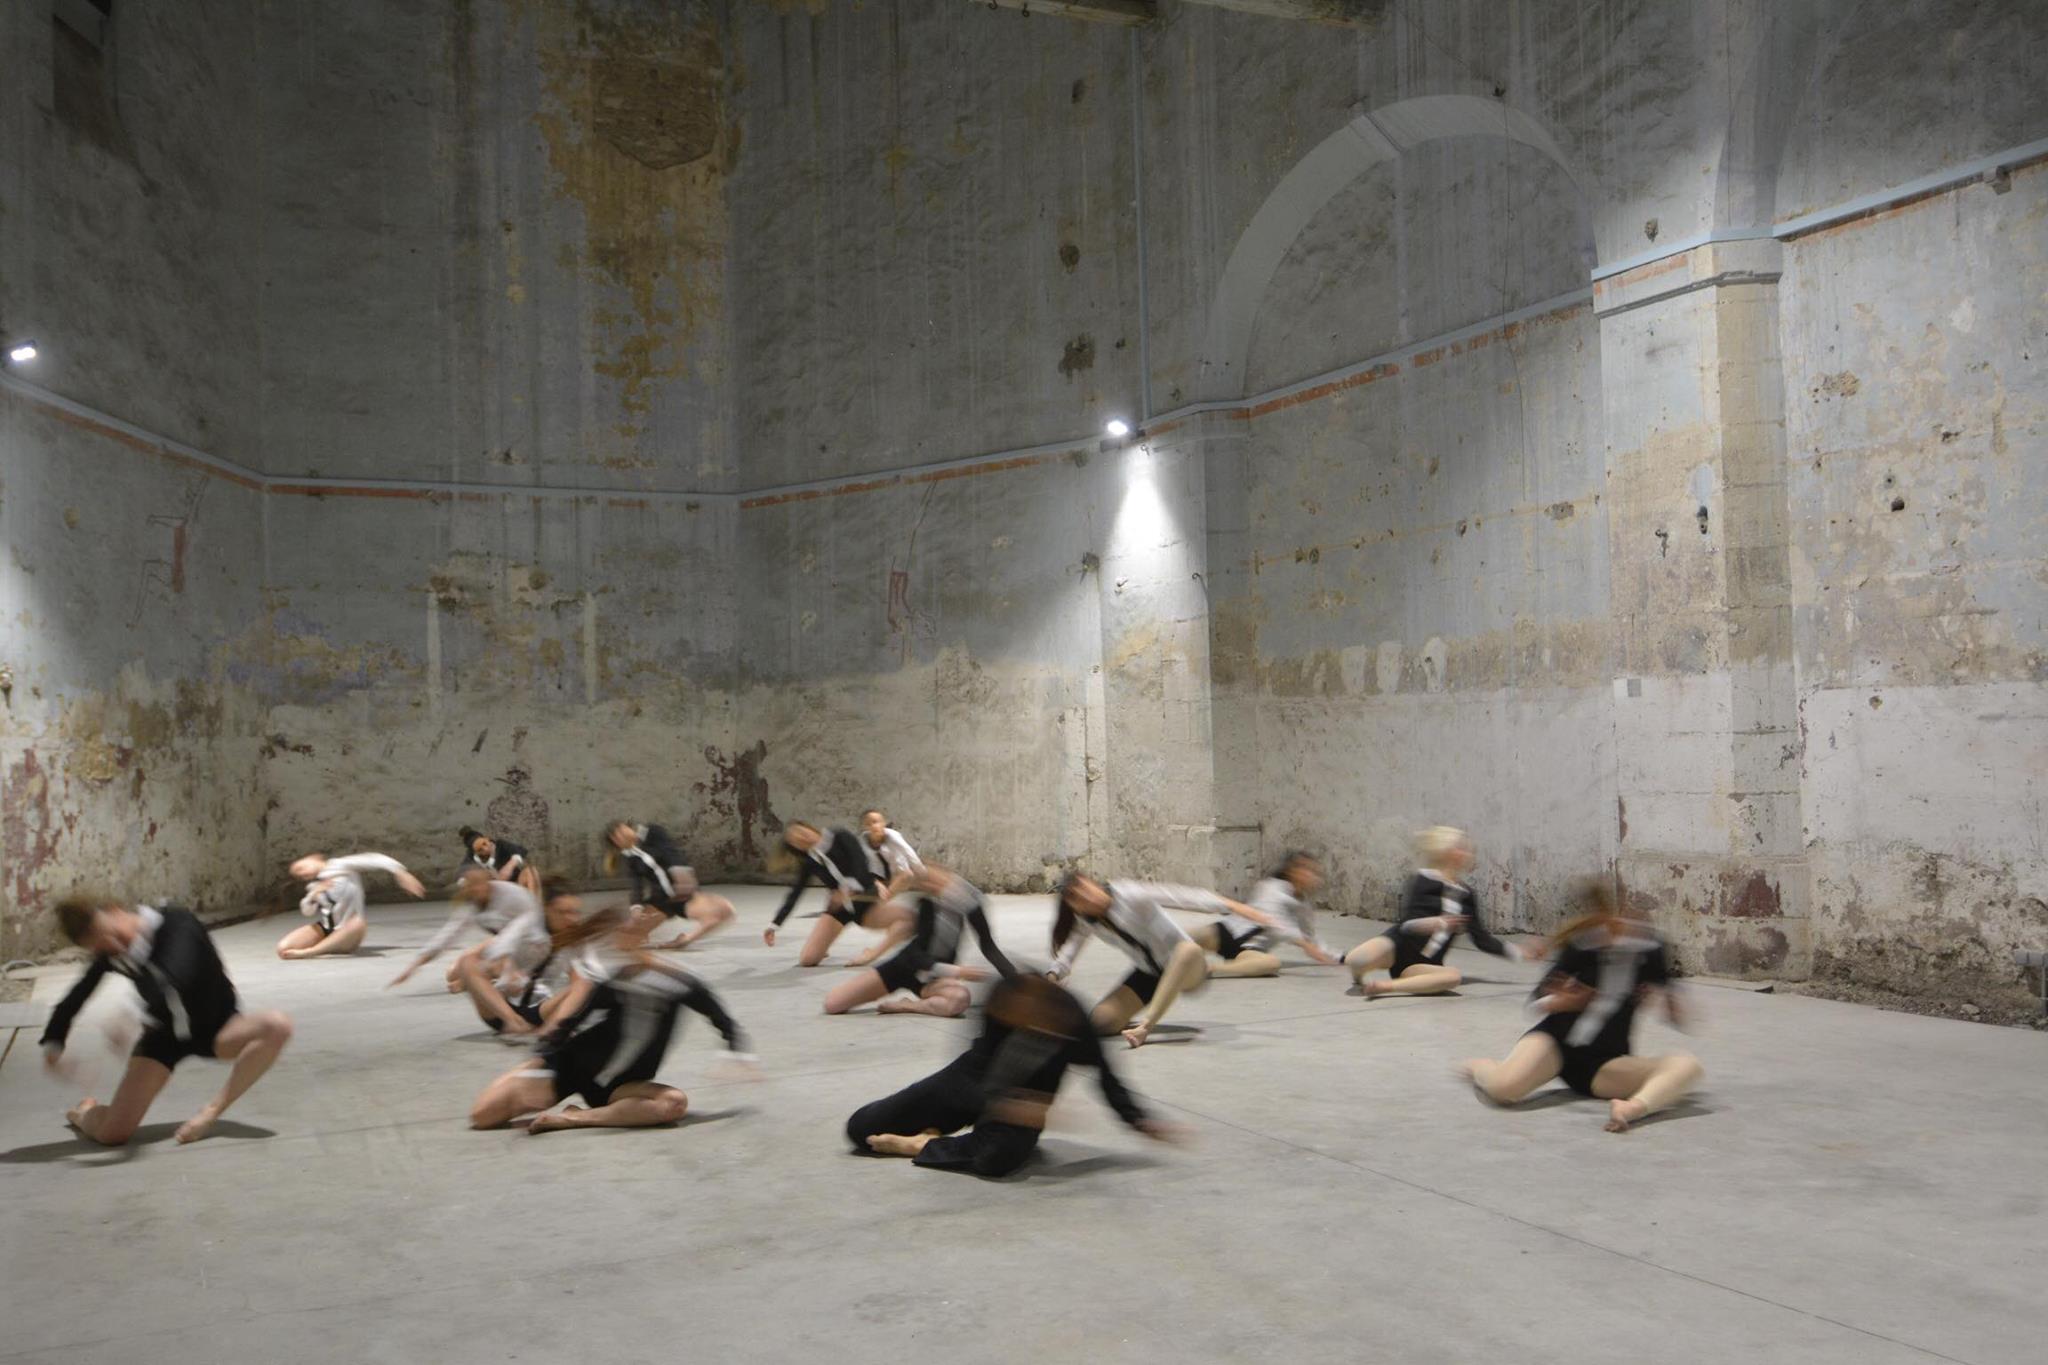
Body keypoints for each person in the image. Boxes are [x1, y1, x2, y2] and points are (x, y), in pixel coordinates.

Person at [846, 974, 1182, 1177]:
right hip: (973, 1080)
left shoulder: (1074, 1023)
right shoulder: (1001, 997)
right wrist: (1000, 1104)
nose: (1012, 1022)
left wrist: (1141, 1121)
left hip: (1028, 1100)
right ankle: (944, 1138)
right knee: (861, 1128)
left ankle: (925, 1144)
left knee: (997, 1160)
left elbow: (1108, 1081)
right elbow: (976, 1069)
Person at [468, 908, 755, 1135]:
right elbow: (567, 1025)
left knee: (673, 1104)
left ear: (642, 940)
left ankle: (574, 1119)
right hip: (571, 1068)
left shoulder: (681, 983)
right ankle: (532, 1083)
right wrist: (536, 1065)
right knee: (482, 1117)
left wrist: (736, 1054)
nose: (618, 948)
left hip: (620, 1089)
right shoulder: (611, 982)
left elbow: (722, 1020)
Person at [40, 897, 293, 1146]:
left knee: (276, 1026)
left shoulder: (176, 923)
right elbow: (75, 998)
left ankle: (212, 1110)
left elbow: (176, 974)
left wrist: (129, 1014)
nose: (114, 945)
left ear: (116, 911)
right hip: (162, 1038)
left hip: (217, 1027)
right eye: (102, 946)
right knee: (112, 1134)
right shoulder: (112, 951)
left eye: (111, 934)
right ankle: (83, 1113)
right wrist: (53, 1044)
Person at [1461, 882, 1704, 1133]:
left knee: (1687, 1065)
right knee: (1503, 1089)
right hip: (1554, 1043)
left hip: (1603, 1063)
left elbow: (1675, 1008)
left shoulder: (1651, 950)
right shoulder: (1582, 946)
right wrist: (1562, 1002)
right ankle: (1483, 1067)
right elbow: (1534, 1003)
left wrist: (1672, 1005)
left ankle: (1632, 1108)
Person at [1048, 872, 1272, 1048]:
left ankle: (1146, 1026)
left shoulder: (1129, 894)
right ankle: (1131, 1018)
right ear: (1075, 908)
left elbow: (1180, 895)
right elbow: (1070, 950)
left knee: (1187, 950)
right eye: (1079, 899)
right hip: (1149, 974)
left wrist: (1234, 906)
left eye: (1086, 889)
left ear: (1092, 882)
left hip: (1188, 968)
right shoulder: (1087, 921)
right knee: (1100, 1023)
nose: (1088, 898)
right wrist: (1054, 974)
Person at [1343, 826, 1535, 996]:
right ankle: (1358, 976)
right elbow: (1407, 924)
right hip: (1397, 946)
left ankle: (1386, 987)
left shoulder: (1467, 895)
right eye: (1460, 848)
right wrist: (1435, 923)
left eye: (1466, 849)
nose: (1466, 853)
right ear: (1445, 850)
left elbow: (1482, 939)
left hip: (1422, 964)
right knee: (1357, 959)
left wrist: (1518, 952)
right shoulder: (1422, 879)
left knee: (1453, 977)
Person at [823, 867, 1017, 1017]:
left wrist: (1017, 982)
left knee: (960, 999)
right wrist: (959, 972)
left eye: (938, 880)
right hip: (904, 967)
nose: (933, 886)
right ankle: (904, 994)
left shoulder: (969, 905)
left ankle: (910, 1006)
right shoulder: (925, 905)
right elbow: (916, 957)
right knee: (833, 1004)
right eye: (926, 884)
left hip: (933, 979)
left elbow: (989, 947)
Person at [764, 821, 914, 966]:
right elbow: (795, 893)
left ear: (808, 827)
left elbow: (860, 863)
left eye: (802, 832)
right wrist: (775, 925)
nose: (803, 838)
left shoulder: (839, 835)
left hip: (865, 901)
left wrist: (846, 889)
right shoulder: (810, 861)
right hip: (839, 908)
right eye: (796, 841)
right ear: (797, 848)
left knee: (909, 920)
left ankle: (872, 952)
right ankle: (824, 945)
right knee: (807, 959)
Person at [458, 877, 594, 1037]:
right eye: (563, 912)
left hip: (539, 1008)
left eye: (575, 912)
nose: (571, 919)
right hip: (501, 1008)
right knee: (467, 963)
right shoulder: (526, 926)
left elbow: (579, 982)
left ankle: (552, 1028)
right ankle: (513, 1021)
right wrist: (508, 972)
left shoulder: (573, 940)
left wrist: (565, 1012)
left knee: (585, 984)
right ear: (546, 909)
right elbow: (497, 948)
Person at [1189, 851, 1342, 977]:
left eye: (1314, 872)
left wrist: (1339, 957)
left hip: (1249, 949)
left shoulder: (1304, 906)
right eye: (1306, 870)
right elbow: (1274, 923)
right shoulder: (1271, 887)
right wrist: (1304, 944)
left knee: (1272, 964)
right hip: (1226, 933)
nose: (1312, 876)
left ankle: (1211, 969)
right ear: (1292, 871)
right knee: (1188, 938)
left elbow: (1310, 938)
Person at [388, 865, 539, 988]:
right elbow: (449, 935)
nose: (476, 889)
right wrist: (413, 967)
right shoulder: (472, 903)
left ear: (487, 881)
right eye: (470, 885)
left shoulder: (512, 895)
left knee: (487, 967)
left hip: (531, 943)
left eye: (479, 883)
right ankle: (488, 976)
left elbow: (529, 930)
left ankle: (501, 977)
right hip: (503, 943)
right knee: (452, 973)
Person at [603, 819, 735, 951]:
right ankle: (636, 932)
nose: (623, 835)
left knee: (726, 911)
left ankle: (685, 939)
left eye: (622, 830)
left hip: (682, 893)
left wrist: (681, 874)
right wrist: (636, 908)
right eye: (617, 837)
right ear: (617, 844)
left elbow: (671, 852)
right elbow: (636, 885)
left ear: (627, 827)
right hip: (661, 900)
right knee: (625, 942)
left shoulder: (652, 832)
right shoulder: (630, 858)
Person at [278, 851, 425, 959]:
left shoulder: (339, 865)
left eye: (300, 867)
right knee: (283, 948)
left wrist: (401, 873)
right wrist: (313, 894)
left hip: (349, 929)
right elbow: (307, 911)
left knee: (358, 922)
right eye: (298, 875)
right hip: (326, 927)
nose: (301, 874)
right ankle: (328, 944)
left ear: (314, 858)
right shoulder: (314, 885)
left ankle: (312, 952)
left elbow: (375, 859)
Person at [847, 808, 926, 966]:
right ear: (865, 827)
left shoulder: (893, 836)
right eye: (869, 823)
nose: (873, 826)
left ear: (883, 823)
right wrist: (873, 882)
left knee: (908, 875)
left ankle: (882, 904)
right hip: (877, 877)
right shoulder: (862, 841)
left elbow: (909, 854)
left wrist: (924, 876)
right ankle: (882, 909)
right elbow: (859, 866)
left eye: (876, 821)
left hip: (897, 873)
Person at [458, 825, 541, 897]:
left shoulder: (501, 845)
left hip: (515, 884)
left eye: (484, 844)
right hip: (493, 894)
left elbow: (521, 850)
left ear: (487, 839)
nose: (485, 849)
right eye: (480, 850)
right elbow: (461, 875)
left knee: (530, 871)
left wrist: (510, 865)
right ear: (475, 852)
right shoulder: (471, 857)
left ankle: (533, 904)